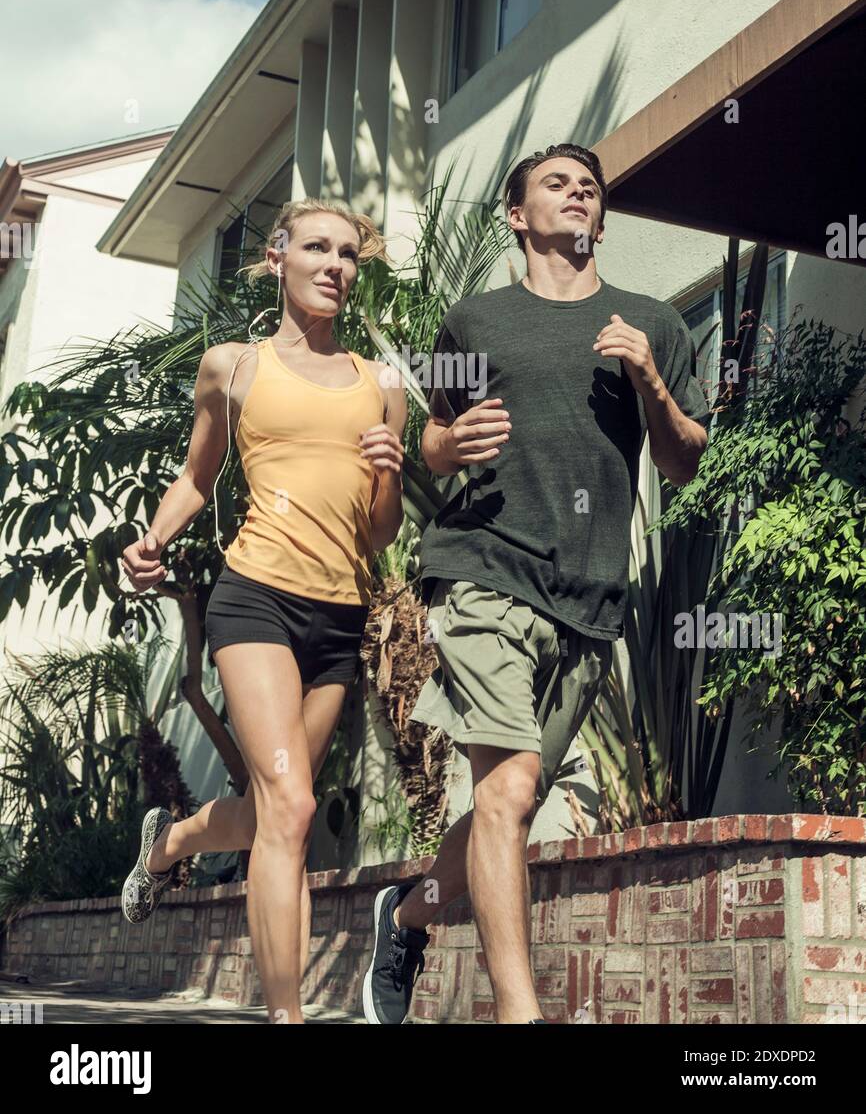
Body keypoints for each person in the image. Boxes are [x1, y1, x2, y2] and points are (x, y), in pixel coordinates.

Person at [363, 143, 711, 1025]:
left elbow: (682, 464)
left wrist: (651, 380)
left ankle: (404, 916)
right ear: (518, 217)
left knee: (502, 805)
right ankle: (522, 1016)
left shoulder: (651, 322)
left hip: (590, 602)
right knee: (511, 788)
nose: (579, 193)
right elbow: (431, 441)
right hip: (484, 569)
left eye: (589, 188)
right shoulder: (475, 321)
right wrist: (449, 443)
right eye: (557, 184)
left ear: (602, 220)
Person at [119, 199, 407, 1025]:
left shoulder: (381, 385)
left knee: (270, 812)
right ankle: (287, 1018)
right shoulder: (233, 367)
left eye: (348, 254)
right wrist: (153, 542)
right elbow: (196, 478)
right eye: (317, 248)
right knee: (296, 807)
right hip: (255, 598)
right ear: (277, 257)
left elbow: (380, 531)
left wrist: (387, 472)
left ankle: (171, 843)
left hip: (340, 613)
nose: (335, 266)